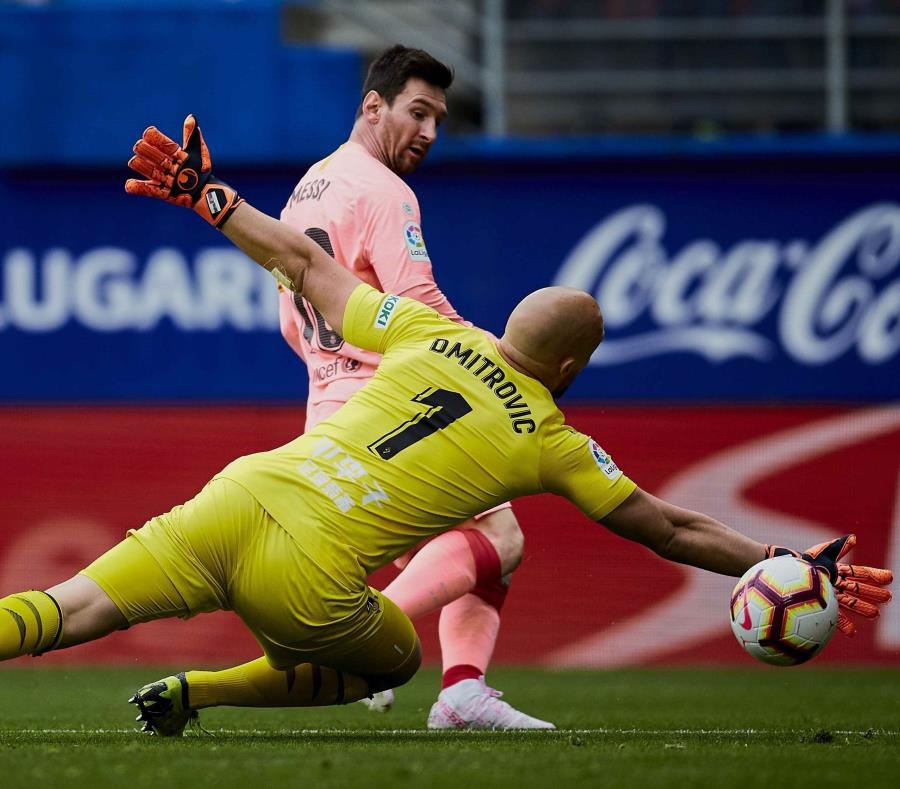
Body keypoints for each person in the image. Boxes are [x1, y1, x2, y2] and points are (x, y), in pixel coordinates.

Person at [0, 118, 891, 739]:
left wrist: (210, 198)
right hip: (311, 578)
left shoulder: (431, 332)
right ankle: (202, 691)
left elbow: (306, 264)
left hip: (243, 491)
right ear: (572, 372)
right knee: (390, 659)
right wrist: (786, 559)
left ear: (507, 325)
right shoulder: (551, 438)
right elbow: (674, 525)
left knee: (69, 608)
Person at [274, 45, 539, 728]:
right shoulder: (384, 190)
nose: (429, 132)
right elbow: (416, 299)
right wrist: (499, 355)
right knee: (500, 537)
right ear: (373, 106)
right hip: (393, 405)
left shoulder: (307, 186)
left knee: (468, 547)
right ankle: (378, 649)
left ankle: (457, 687)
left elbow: (289, 321)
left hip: (329, 407)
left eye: (439, 120)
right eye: (417, 112)